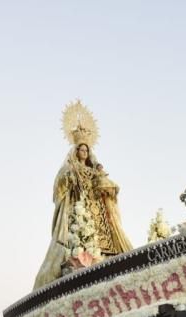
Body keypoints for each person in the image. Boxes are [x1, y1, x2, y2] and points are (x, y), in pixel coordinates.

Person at [33, 101, 132, 289]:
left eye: (87, 150)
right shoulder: (70, 167)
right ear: (76, 150)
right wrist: (69, 176)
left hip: (96, 211)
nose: (84, 152)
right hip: (78, 209)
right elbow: (59, 184)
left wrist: (102, 179)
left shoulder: (94, 169)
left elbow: (108, 187)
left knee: (103, 238)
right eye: (81, 149)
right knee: (79, 235)